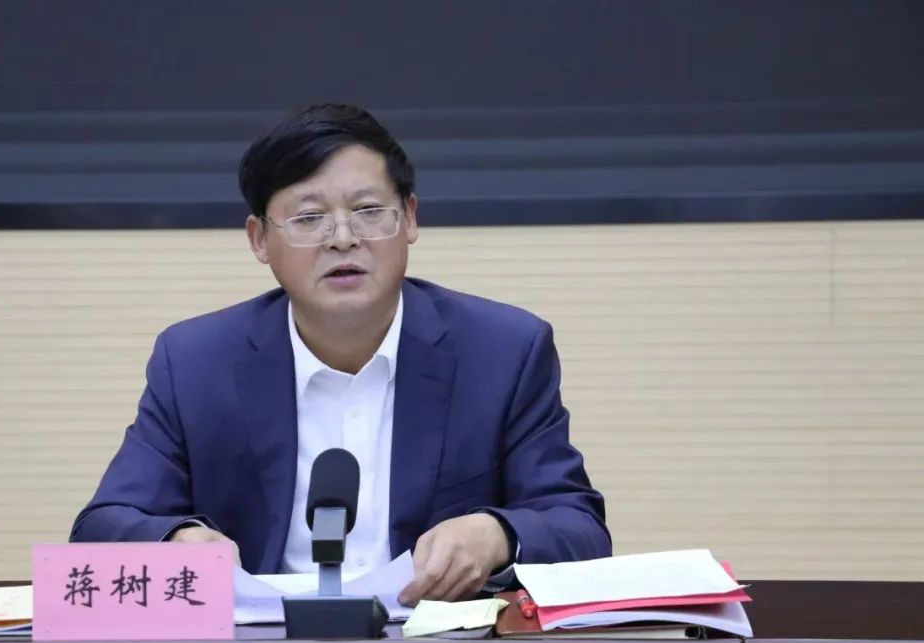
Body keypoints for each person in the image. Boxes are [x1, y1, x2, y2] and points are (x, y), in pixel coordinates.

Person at [70, 103, 610, 604]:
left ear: (410, 218)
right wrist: (177, 540)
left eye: (369, 210)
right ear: (259, 239)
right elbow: (102, 527)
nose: (343, 238)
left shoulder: (503, 351)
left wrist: (496, 533)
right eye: (309, 218)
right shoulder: (195, 362)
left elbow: (579, 527)